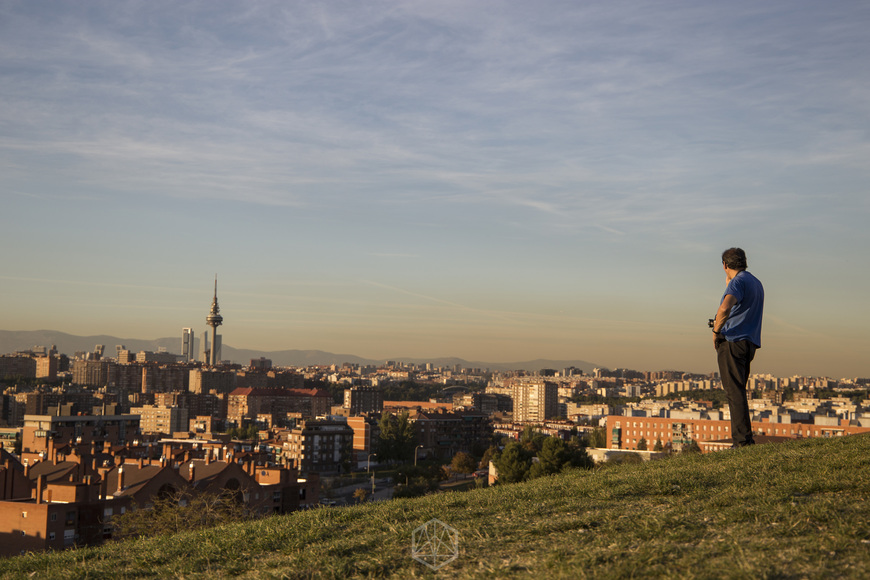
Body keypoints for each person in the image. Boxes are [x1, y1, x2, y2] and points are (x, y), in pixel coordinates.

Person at [712, 247, 764, 448]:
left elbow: (725, 308)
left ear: (725, 265)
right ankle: (745, 439)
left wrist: (716, 331)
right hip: (749, 343)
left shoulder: (738, 282)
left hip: (732, 341)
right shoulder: (755, 282)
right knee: (739, 390)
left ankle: (742, 442)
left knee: (734, 392)